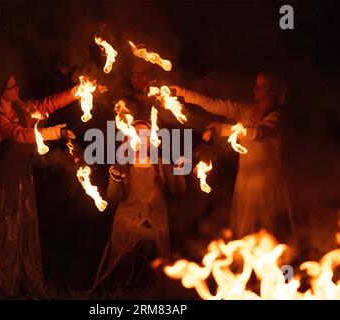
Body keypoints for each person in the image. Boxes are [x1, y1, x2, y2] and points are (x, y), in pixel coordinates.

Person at [0, 75, 78, 299]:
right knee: (3, 235)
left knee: (24, 232)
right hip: (3, 183)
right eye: (12, 86)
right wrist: (54, 132)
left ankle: (27, 282)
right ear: (2, 92)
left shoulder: (22, 108)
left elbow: (46, 105)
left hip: (23, 180)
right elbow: (20, 134)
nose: (18, 87)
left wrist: (78, 91)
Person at [170, 71, 296, 241]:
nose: (255, 88)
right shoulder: (246, 110)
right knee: (245, 232)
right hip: (245, 179)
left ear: (273, 91)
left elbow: (257, 132)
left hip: (268, 183)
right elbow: (216, 105)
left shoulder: (277, 117)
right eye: (256, 84)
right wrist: (184, 93)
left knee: (269, 231)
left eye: (262, 86)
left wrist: (222, 129)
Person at [90, 121, 186, 295]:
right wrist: (116, 180)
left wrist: (178, 171)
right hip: (128, 220)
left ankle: (148, 288)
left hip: (156, 221)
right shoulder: (122, 164)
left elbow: (178, 191)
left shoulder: (161, 163)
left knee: (151, 239)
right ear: (129, 138)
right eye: (138, 134)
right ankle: (127, 285)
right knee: (142, 238)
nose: (142, 138)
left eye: (146, 135)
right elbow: (113, 196)